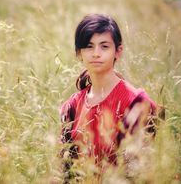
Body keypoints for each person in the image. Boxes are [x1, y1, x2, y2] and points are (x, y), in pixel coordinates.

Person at [60, 14, 158, 182]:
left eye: (104, 46)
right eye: (89, 47)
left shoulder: (136, 103)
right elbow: (65, 170)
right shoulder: (72, 106)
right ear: (79, 53)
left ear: (118, 51)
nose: (96, 53)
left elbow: (139, 172)